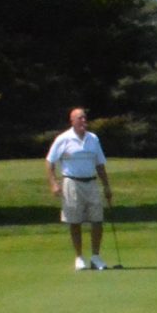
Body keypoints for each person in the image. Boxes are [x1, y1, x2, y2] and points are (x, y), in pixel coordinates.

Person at [45, 107, 115, 270]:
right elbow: (50, 162)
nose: (84, 121)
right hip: (72, 183)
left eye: (85, 118)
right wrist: (54, 183)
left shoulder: (93, 138)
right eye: (80, 118)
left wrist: (106, 186)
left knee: (97, 220)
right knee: (75, 221)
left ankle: (96, 257)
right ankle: (79, 257)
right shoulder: (63, 139)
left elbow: (100, 164)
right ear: (72, 121)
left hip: (91, 182)